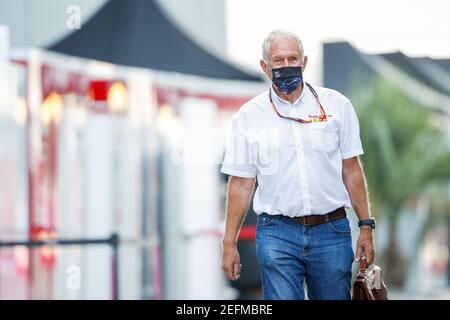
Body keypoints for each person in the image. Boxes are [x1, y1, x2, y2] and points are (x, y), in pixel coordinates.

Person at [220, 30, 375, 300]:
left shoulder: (337, 106)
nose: (286, 65)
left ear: (304, 63)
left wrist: (366, 226)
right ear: (264, 67)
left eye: (292, 58)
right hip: (276, 233)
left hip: (331, 230)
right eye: (278, 61)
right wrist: (229, 242)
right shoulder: (248, 117)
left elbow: (351, 170)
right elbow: (242, 184)